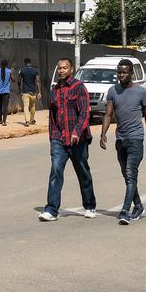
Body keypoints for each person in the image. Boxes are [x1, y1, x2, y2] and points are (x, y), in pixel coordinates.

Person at [100, 59, 146, 224]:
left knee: (131, 173)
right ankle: (138, 205)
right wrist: (103, 133)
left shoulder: (141, 92)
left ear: (131, 73)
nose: (121, 75)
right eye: (119, 72)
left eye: (124, 72)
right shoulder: (113, 91)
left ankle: (125, 210)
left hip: (136, 138)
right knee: (127, 175)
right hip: (120, 139)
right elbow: (108, 114)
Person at [39, 58, 97, 221]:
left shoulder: (78, 87)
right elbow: (52, 116)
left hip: (78, 139)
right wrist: (52, 138)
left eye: (65, 68)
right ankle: (51, 209)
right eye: (59, 68)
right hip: (59, 138)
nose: (62, 70)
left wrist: (77, 132)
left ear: (71, 69)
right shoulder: (54, 91)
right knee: (56, 171)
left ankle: (90, 205)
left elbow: (85, 112)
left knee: (83, 172)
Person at [18, 57, 41, 126]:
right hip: (33, 91)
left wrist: (19, 89)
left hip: (25, 91)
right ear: (30, 62)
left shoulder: (22, 70)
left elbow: (19, 81)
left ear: (25, 63)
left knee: (26, 106)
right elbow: (38, 81)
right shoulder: (35, 71)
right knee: (33, 106)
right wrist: (39, 92)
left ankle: (27, 121)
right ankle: (32, 119)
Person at [0, 60, 14, 125]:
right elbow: (14, 80)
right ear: (6, 64)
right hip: (6, 92)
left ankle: (0, 120)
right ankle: (4, 121)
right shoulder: (9, 71)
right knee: (5, 107)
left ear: (0, 64)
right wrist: (12, 72)